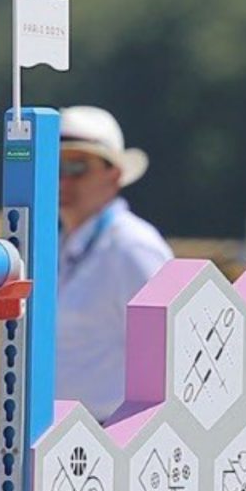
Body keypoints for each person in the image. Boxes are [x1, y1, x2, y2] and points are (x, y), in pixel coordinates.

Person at [55, 105, 175, 417]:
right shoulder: (58, 245)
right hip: (71, 440)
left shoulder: (133, 247)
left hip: (116, 440)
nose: (64, 181)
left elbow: (174, 356)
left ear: (115, 174)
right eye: (54, 168)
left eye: (77, 167)